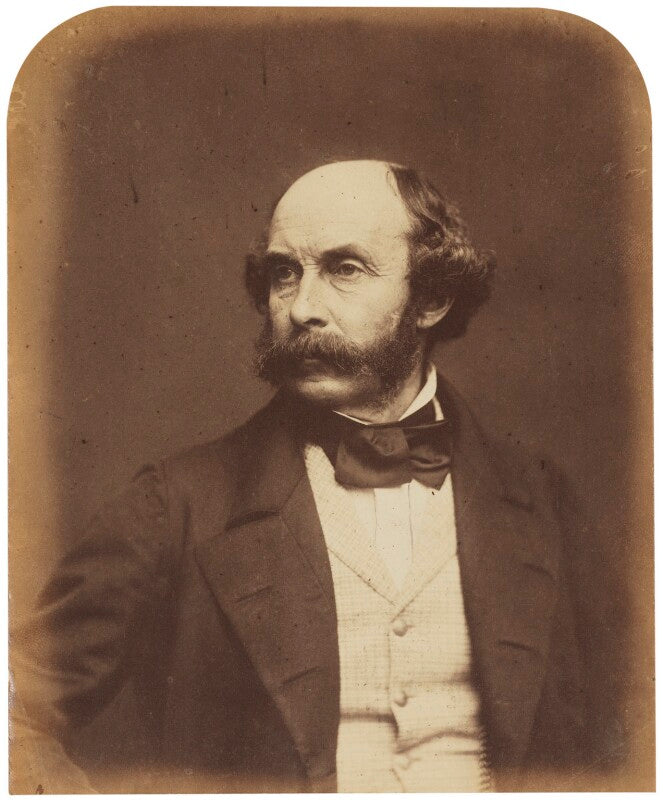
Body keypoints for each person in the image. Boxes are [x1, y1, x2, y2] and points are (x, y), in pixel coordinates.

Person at [11, 160, 619, 792]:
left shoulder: (543, 500)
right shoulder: (177, 504)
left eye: (344, 269)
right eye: (284, 273)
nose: (301, 308)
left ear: (432, 298)